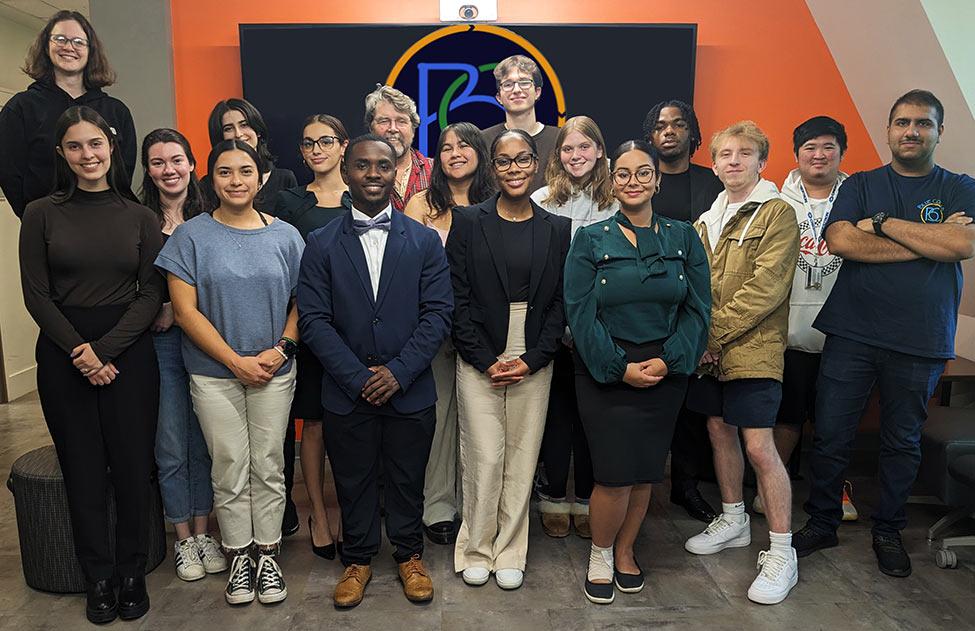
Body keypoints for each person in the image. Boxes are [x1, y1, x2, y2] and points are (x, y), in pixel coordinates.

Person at [794, 90, 975, 578]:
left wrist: (884, 225)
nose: (911, 131)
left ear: (940, 131)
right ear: (888, 129)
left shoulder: (961, 186)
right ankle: (823, 520)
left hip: (920, 339)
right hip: (852, 332)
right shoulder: (862, 184)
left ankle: (888, 529)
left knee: (902, 441)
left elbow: (961, 242)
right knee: (830, 435)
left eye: (922, 123)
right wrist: (927, 243)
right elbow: (841, 241)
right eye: (901, 122)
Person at [19, 106, 162, 624]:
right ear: (63, 154)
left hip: (128, 353)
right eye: (75, 147)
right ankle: (97, 577)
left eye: (95, 144)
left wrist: (105, 350)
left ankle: (130, 574)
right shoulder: (41, 213)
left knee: (130, 468)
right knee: (81, 470)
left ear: (112, 147)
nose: (88, 155)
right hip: (63, 355)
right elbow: (35, 295)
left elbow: (151, 294)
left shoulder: (140, 216)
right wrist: (81, 350)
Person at [297, 134, 453, 608]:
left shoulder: (424, 241)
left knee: (408, 477)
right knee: (353, 477)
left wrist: (399, 372)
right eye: (362, 166)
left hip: (409, 388)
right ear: (346, 172)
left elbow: (438, 314)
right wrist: (358, 376)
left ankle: (409, 555)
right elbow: (313, 319)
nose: (372, 174)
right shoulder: (320, 243)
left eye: (382, 166)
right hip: (348, 391)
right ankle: (359, 559)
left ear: (395, 174)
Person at [156, 139, 304, 606]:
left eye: (245, 171)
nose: (236, 181)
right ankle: (239, 556)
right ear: (212, 179)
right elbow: (185, 312)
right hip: (214, 373)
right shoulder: (190, 237)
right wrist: (235, 361)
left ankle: (268, 554)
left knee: (269, 465)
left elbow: (303, 303)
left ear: (261, 178)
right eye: (224, 172)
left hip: (274, 371)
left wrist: (282, 349)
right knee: (229, 466)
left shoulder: (286, 236)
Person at [565, 139, 710, 604]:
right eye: (623, 173)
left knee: (646, 471)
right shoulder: (590, 240)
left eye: (642, 173)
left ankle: (627, 550)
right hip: (606, 369)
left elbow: (698, 309)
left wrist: (670, 359)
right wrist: (618, 367)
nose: (633, 181)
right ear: (612, 182)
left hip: (666, 368)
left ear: (657, 180)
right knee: (613, 474)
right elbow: (579, 315)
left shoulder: (684, 236)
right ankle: (601, 553)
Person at [684, 121, 800, 605]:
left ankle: (781, 552)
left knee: (759, 447)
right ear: (713, 164)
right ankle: (732, 519)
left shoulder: (777, 214)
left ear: (762, 161)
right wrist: (700, 338)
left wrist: (710, 335)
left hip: (753, 350)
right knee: (717, 430)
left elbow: (766, 290)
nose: (733, 161)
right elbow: (691, 287)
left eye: (744, 153)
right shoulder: (704, 222)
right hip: (711, 354)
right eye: (725, 154)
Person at [449, 129, 571, 590]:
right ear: (492, 167)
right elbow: (455, 298)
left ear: (536, 164)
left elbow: (561, 303)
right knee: (483, 453)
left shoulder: (557, 228)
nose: (514, 168)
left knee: (522, 456)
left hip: (534, 349)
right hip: (479, 347)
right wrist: (484, 359)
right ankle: (477, 547)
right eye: (504, 161)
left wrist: (534, 358)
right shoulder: (467, 222)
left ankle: (511, 549)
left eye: (523, 160)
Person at [754, 117, 856, 518]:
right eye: (810, 147)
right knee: (787, 417)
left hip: (844, 331)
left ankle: (836, 493)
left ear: (841, 153)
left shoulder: (857, 198)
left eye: (829, 147)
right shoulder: (777, 202)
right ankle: (769, 488)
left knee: (835, 422)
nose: (819, 155)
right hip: (789, 331)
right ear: (796, 155)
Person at [140, 128, 227, 581]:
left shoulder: (212, 214)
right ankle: (184, 540)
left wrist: (180, 309)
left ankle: (205, 530)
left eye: (176, 160)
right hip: (159, 348)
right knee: (171, 443)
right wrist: (162, 308)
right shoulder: (136, 219)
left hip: (209, 341)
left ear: (193, 164)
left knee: (205, 443)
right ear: (147, 170)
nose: (168, 170)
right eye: (157, 162)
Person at [404, 121, 495, 545]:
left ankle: (480, 503)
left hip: (486, 329)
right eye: (445, 147)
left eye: (463, 145)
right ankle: (438, 504)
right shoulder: (422, 204)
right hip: (434, 327)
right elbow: (403, 269)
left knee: (482, 421)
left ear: (479, 150)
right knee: (440, 418)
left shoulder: (499, 200)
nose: (455, 152)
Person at [530, 115, 618, 538]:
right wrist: (560, 326)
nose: (576, 155)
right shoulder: (542, 199)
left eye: (585, 147)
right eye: (568, 148)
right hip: (551, 325)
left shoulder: (616, 200)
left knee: (592, 418)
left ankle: (586, 497)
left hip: (602, 328)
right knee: (556, 416)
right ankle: (551, 497)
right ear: (557, 155)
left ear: (600, 151)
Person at [274, 114, 350, 560]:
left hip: (353, 330)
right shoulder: (288, 203)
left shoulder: (361, 196)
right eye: (308, 143)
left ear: (343, 146)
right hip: (304, 326)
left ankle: (346, 513)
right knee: (315, 426)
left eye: (325, 141)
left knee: (350, 426)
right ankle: (319, 515)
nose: (316, 149)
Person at [644, 99, 724, 523]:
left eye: (678, 124)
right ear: (651, 136)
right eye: (660, 126)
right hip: (645, 306)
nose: (669, 131)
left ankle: (686, 487)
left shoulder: (712, 184)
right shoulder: (638, 181)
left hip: (694, 301)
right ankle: (641, 484)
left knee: (691, 409)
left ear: (693, 134)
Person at [0, 10, 136, 219]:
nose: (69, 47)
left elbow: (123, 172)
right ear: (46, 46)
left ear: (91, 51)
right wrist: (35, 218)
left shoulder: (116, 111)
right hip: (48, 227)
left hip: (109, 222)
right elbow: (9, 172)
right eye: (60, 39)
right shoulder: (21, 108)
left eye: (79, 42)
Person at [201, 98, 297, 216]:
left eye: (244, 125)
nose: (238, 134)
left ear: (257, 130)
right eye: (228, 129)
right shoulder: (208, 184)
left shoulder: (285, 178)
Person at [480, 55, 559, 194]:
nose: (516, 90)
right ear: (499, 97)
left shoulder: (560, 138)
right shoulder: (482, 140)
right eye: (508, 84)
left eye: (524, 82)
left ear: (537, 92)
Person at [364, 85, 432, 211]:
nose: (393, 129)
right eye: (384, 121)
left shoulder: (436, 171)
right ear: (370, 128)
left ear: (413, 129)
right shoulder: (358, 174)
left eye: (401, 121)